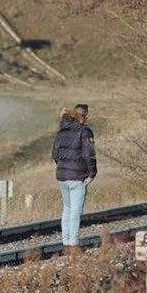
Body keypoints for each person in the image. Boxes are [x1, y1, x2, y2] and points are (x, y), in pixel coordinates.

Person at [52, 103, 97, 256]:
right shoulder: (85, 131)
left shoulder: (61, 131)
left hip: (62, 176)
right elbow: (89, 154)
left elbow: (55, 155)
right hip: (77, 177)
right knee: (75, 211)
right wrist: (92, 173)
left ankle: (66, 243)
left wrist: (64, 167)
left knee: (67, 209)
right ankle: (73, 245)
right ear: (85, 116)